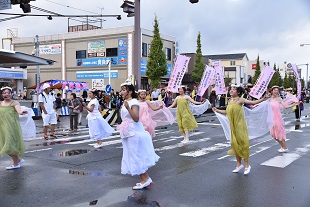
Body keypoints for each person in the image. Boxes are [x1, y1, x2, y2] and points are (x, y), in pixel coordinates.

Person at [212, 86, 267, 175]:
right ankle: (238, 165)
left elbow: (253, 102)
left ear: (238, 92)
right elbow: (227, 111)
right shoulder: (230, 101)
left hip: (240, 125)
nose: (231, 91)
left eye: (234, 90)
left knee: (243, 144)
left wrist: (263, 99)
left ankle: (246, 165)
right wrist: (217, 110)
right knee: (235, 144)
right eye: (231, 90)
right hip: (232, 126)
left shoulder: (241, 100)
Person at [117, 81, 159, 190]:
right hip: (128, 132)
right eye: (121, 89)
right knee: (132, 155)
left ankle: (144, 179)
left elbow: (135, 118)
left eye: (124, 90)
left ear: (130, 91)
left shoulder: (133, 102)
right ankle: (145, 178)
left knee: (136, 155)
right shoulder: (127, 101)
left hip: (134, 132)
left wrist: (128, 108)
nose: (121, 92)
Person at [0, 86, 27, 170]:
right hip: (2, 127)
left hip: (11, 127)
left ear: (11, 94)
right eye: (4, 93)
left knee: (10, 145)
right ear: (1, 94)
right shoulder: (0, 103)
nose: (6, 94)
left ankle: (16, 164)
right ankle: (18, 160)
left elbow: (19, 111)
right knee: (4, 146)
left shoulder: (14, 103)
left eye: (8, 93)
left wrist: (22, 112)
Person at [269, 86, 299, 153]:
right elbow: (263, 104)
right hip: (271, 118)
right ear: (272, 91)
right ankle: (283, 147)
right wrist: (254, 105)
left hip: (277, 118)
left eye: (277, 90)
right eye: (274, 90)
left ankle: (285, 147)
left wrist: (293, 104)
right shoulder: (269, 99)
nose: (276, 91)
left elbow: (285, 106)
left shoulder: (279, 99)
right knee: (273, 134)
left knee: (279, 133)